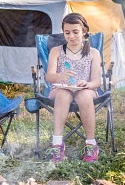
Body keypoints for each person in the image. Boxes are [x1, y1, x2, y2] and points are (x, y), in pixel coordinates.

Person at [46, 13, 101, 163]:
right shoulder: (56, 51)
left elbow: (96, 80)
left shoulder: (93, 53)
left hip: (86, 90)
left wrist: (88, 84)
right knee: (63, 94)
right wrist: (59, 75)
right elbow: (49, 76)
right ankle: (57, 144)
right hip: (61, 89)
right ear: (63, 32)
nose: (71, 36)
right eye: (67, 32)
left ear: (84, 31)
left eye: (75, 32)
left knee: (83, 95)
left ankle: (91, 144)